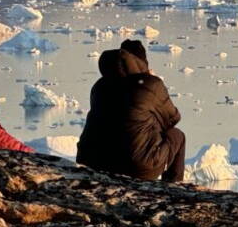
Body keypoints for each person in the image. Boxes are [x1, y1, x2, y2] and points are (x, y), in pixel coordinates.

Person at [76, 40, 185, 182]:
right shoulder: (150, 85)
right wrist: (150, 79)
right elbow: (173, 119)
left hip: (93, 161)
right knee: (177, 136)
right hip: (136, 167)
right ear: (142, 63)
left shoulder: (99, 86)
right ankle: (172, 190)